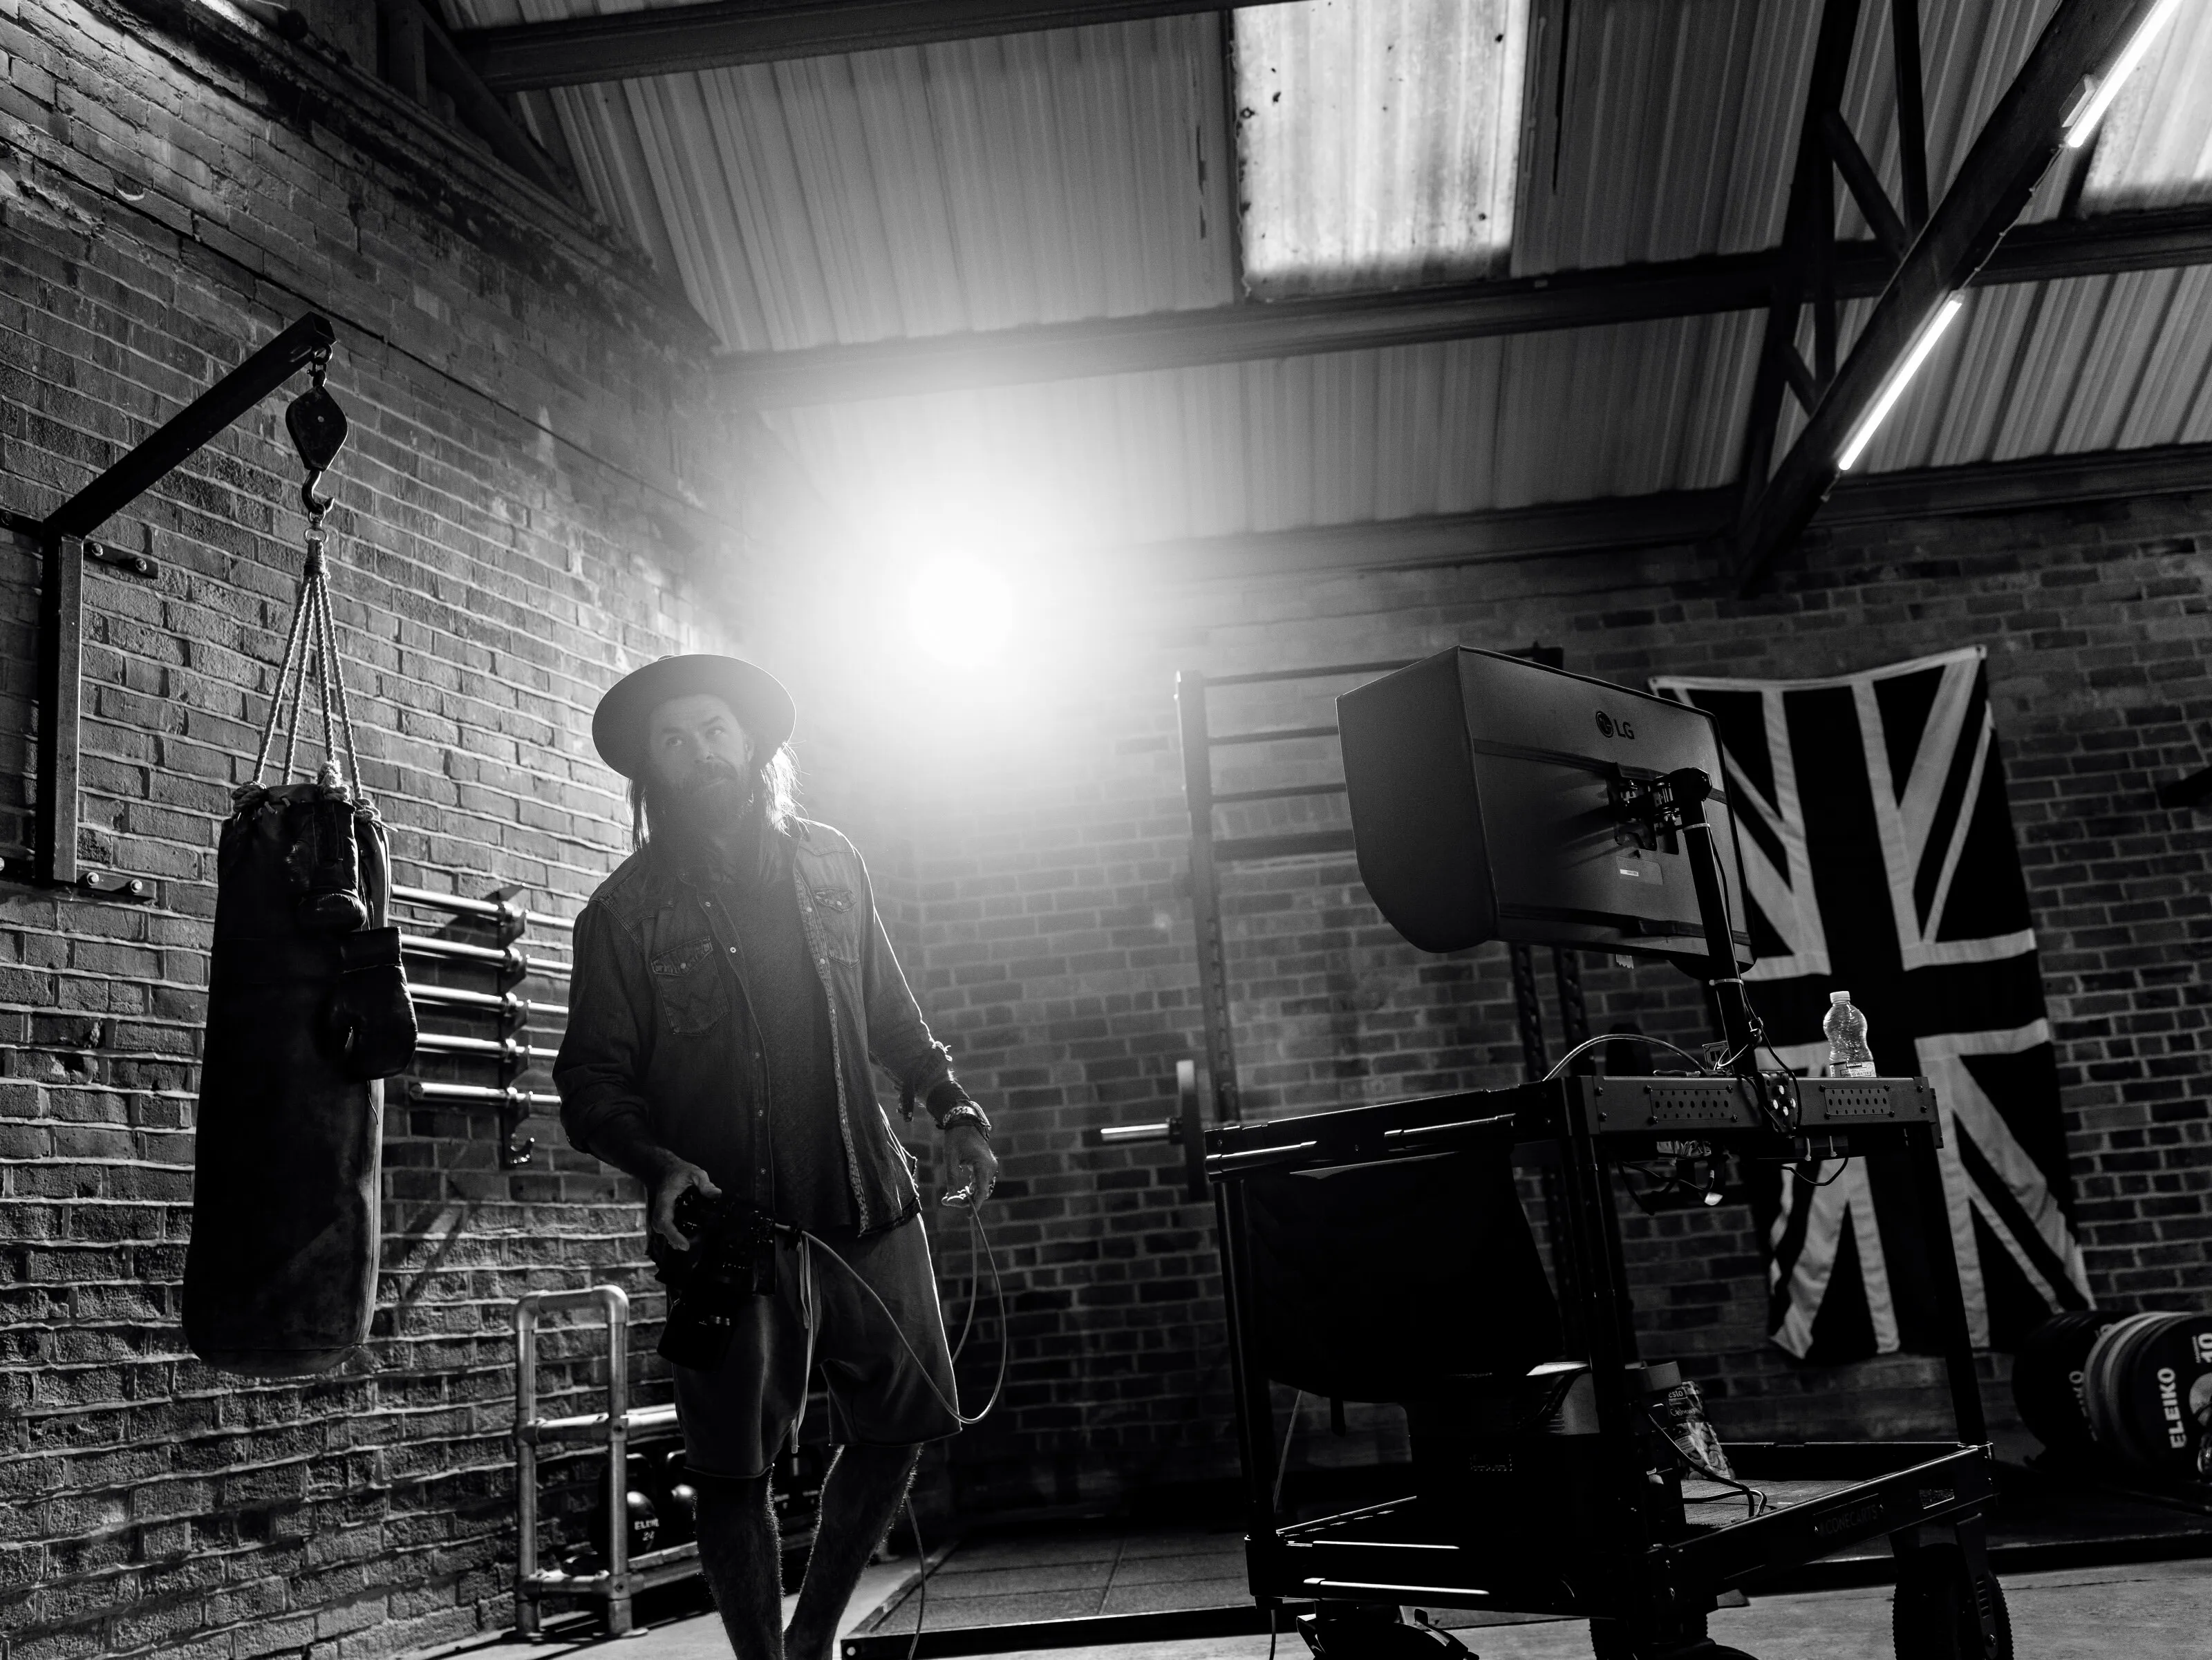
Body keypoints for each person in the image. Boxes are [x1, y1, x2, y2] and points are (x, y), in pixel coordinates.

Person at [555, 654, 998, 1660]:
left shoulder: (834, 864)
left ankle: (812, 1644)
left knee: (901, 1428)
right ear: (652, 769)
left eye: (714, 729)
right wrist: (657, 1163)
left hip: (868, 1198)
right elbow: (590, 1083)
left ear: (751, 742)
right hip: (730, 1233)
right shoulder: (622, 916)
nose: (699, 752)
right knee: (731, 1470)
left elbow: (892, 1014)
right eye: (673, 740)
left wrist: (954, 1109)